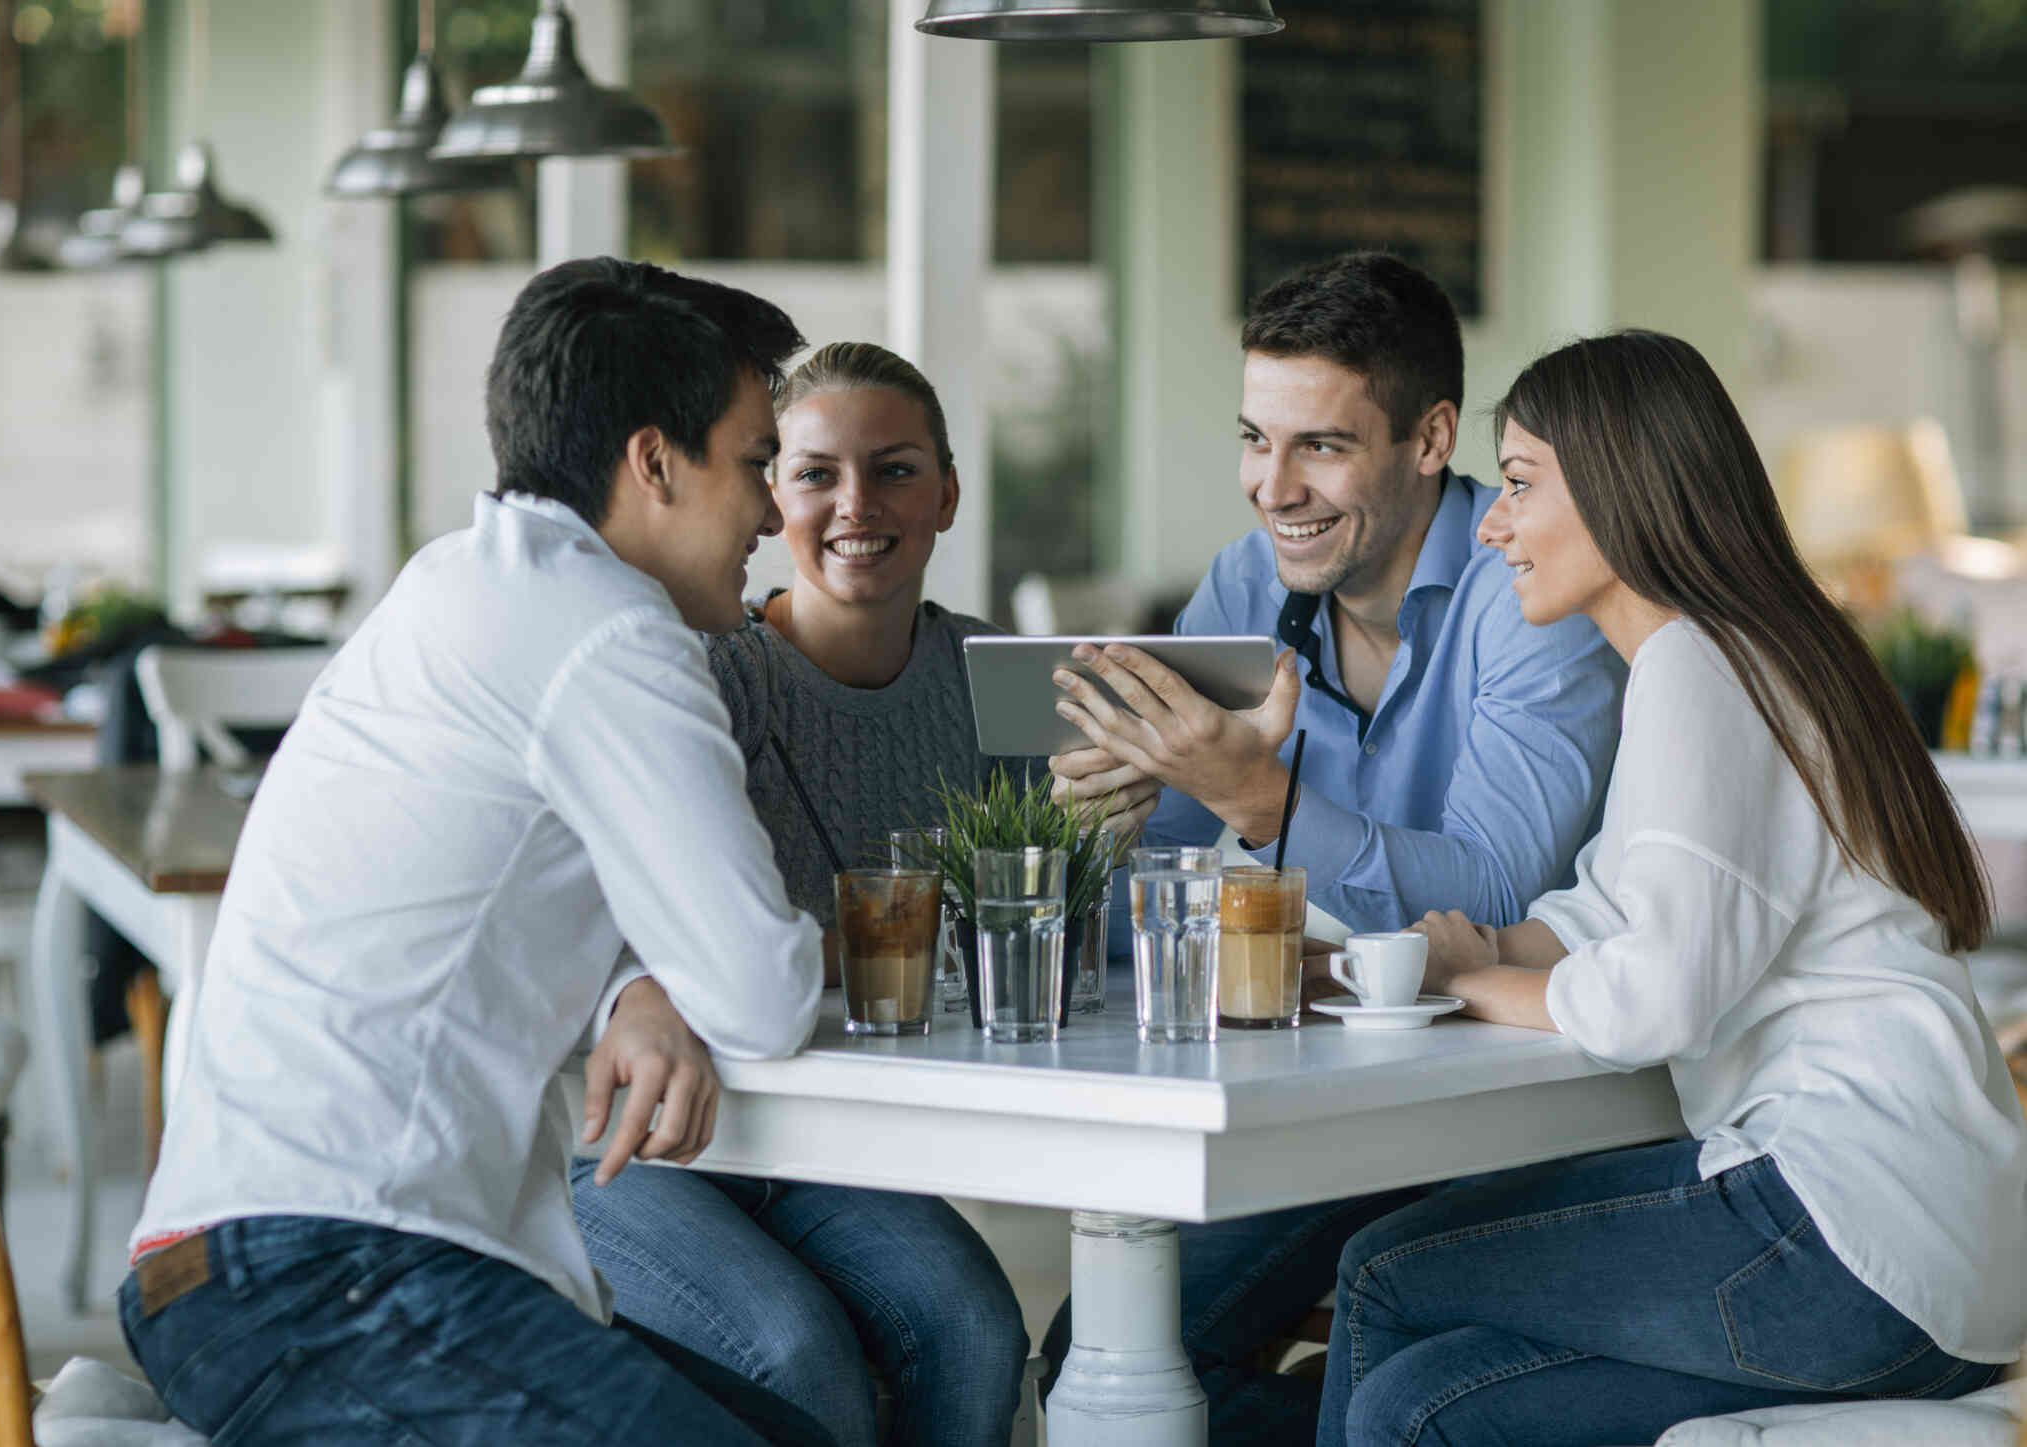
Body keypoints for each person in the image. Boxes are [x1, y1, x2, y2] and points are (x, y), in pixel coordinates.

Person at [118, 259, 839, 1445]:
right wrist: (673, 973)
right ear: (654, 463)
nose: (774, 512)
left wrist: (636, 981)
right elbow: (761, 995)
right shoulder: (609, 635)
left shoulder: (466, 585)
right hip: (325, 1275)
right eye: (758, 462)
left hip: (249, 1261)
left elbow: (506, 877)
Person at [1319, 329, 2027, 1445]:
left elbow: (1656, 995)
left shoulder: (1701, 665)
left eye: (1516, 484)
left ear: (1619, 486)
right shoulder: (1752, 654)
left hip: (1840, 1221)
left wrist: (1467, 981)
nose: (1491, 523)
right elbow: (1611, 906)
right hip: (1947, 1267)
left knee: (1381, 1268)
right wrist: (1481, 944)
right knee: (1420, 1405)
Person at [1040, 253, 1628, 1443]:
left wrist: (1266, 806)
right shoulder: (1246, 583)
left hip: (1526, 1104)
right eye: (1256, 439)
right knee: (1096, 1351)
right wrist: (1099, 829)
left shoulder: (1533, 592)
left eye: (1320, 445)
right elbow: (1153, 889)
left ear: (1430, 438)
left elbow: (1493, 886)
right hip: (1323, 1093)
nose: (1273, 486)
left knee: (1304, 1355)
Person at [570, 341, 1030, 1447]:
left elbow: (1046, 919)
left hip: (836, 1141)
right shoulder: (704, 675)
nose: (856, 503)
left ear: (950, 493)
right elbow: (591, 909)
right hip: (642, 1141)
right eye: (816, 472)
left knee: (974, 1330)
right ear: (770, 498)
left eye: (897, 468)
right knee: (792, 1348)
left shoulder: (1002, 679)